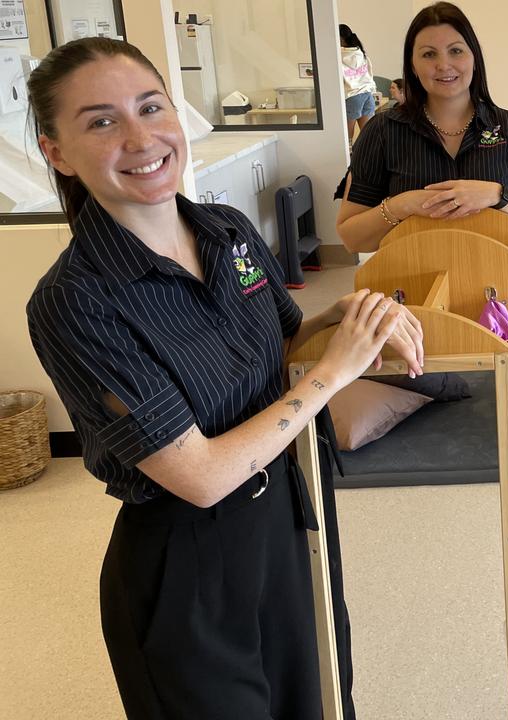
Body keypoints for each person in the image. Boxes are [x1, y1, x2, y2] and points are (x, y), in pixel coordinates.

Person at [24, 37, 424, 718]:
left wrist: (346, 318)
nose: (140, 136)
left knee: (318, 700)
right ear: (56, 151)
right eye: (101, 121)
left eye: (151, 107)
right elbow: (201, 476)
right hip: (186, 565)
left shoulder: (228, 233)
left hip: (281, 522)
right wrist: (334, 372)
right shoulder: (76, 299)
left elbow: (281, 342)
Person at [337, 2, 508, 251]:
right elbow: (351, 239)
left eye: (456, 51)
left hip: (500, 283)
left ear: (474, 58)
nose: (444, 65)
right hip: (410, 283)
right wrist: (402, 205)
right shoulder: (381, 131)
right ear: (412, 65)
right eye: (429, 54)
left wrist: (499, 195)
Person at [340, 24, 378, 142]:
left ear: (340, 39)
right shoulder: (360, 52)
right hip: (367, 94)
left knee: (347, 140)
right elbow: (370, 71)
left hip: (353, 96)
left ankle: (350, 159)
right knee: (369, 138)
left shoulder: (338, 54)